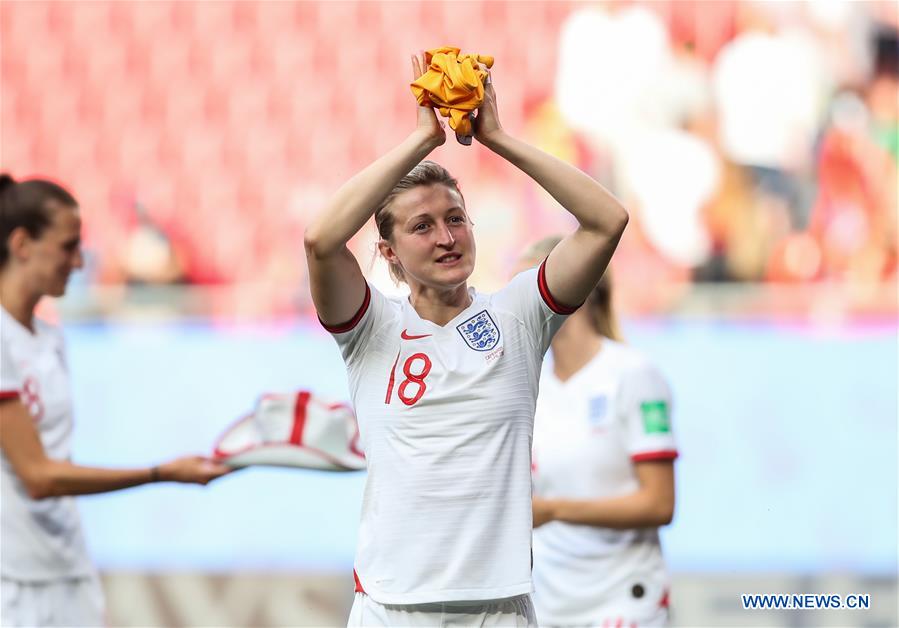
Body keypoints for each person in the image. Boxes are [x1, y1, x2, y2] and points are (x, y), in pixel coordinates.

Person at [303, 53, 629, 626]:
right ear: (388, 251)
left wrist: (498, 137)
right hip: (390, 609)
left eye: (456, 218)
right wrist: (423, 140)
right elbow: (321, 241)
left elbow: (607, 220)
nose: (446, 237)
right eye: (421, 226)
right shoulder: (370, 330)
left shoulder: (522, 315)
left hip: (497, 609)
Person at [0, 174, 231, 628]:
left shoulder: (49, 339)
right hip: (13, 578)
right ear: (23, 244)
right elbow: (39, 477)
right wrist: (161, 474)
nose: (79, 260)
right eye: (68, 246)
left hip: (66, 568)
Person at [521, 236, 678, 628]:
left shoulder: (632, 375)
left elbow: (659, 504)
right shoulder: (528, 384)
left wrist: (555, 510)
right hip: (548, 602)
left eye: (531, 285)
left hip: (621, 601)